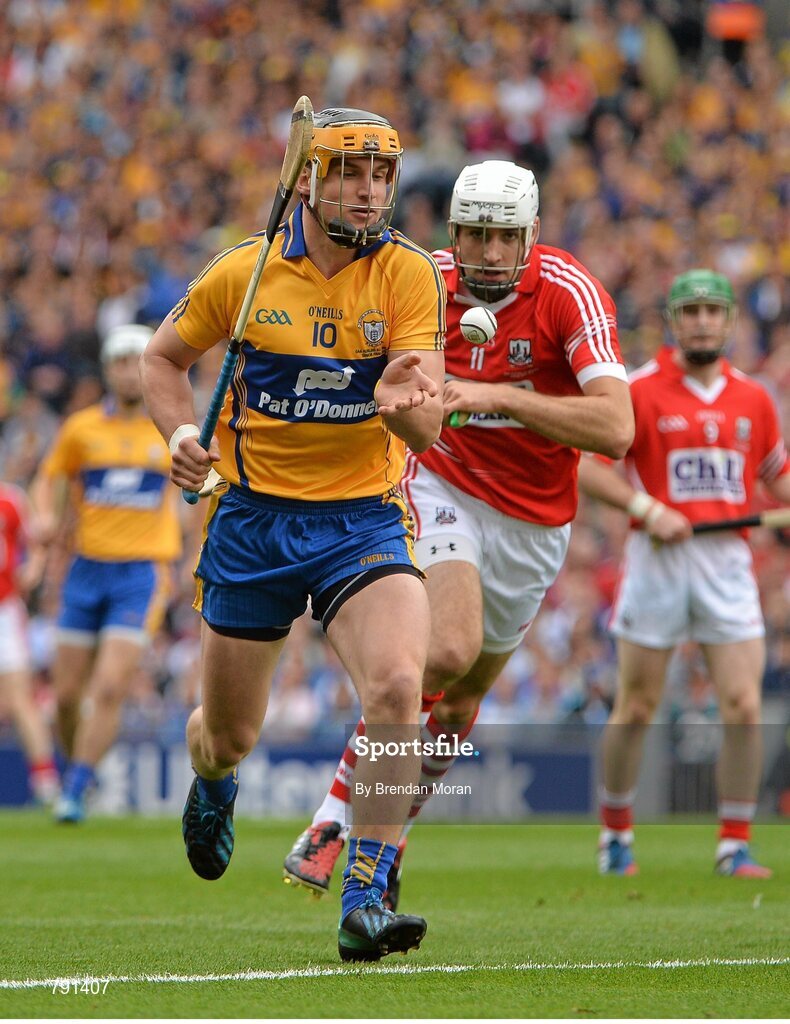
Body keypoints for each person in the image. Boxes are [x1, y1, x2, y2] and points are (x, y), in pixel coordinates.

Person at [283, 159, 634, 910]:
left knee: (457, 697)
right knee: (443, 648)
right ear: (454, 232)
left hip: (536, 524)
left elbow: (616, 427)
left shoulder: (568, 293)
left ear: (531, 235)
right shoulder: (421, 280)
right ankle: (334, 821)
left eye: (506, 236)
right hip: (439, 483)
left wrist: (493, 394)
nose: (491, 253)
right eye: (475, 234)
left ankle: (389, 838)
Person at [139, 107, 447, 963]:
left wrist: (408, 406)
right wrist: (177, 437)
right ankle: (212, 779)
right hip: (252, 519)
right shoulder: (243, 273)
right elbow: (161, 362)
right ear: (309, 180)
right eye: (350, 171)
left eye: (381, 175)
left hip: (362, 520)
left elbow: (429, 430)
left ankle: (365, 893)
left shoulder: (410, 276)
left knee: (396, 684)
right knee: (229, 734)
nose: (369, 190)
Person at [578, 268, 790, 878]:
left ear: (729, 321)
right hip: (659, 561)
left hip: (728, 564)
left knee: (744, 706)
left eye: (712, 310)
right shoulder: (638, 391)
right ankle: (615, 836)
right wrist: (648, 509)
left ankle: (734, 843)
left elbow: (776, 475)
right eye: (690, 310)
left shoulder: (754, 397)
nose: (701, 321)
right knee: (638, 705)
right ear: (673, 321)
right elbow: (589, 471)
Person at [30, 323, 182, 824]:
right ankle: (81, 770)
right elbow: (49, 477)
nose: (126, 371)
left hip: (141, 573)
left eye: (134, 361)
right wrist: (47, 516)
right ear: (107, 369)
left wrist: (194, 551)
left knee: (111, 687)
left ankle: (73, 789)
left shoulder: (170, 428)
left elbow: (201, 495)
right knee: (67, 697)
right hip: (85, 570)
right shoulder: (81, 428)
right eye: (117, 361)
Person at [0, 482, 59, 805]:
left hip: (5, 610)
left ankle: (45, 780)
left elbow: (36, 543)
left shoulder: (11, 499)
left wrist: (33, 569)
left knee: (21, 697)